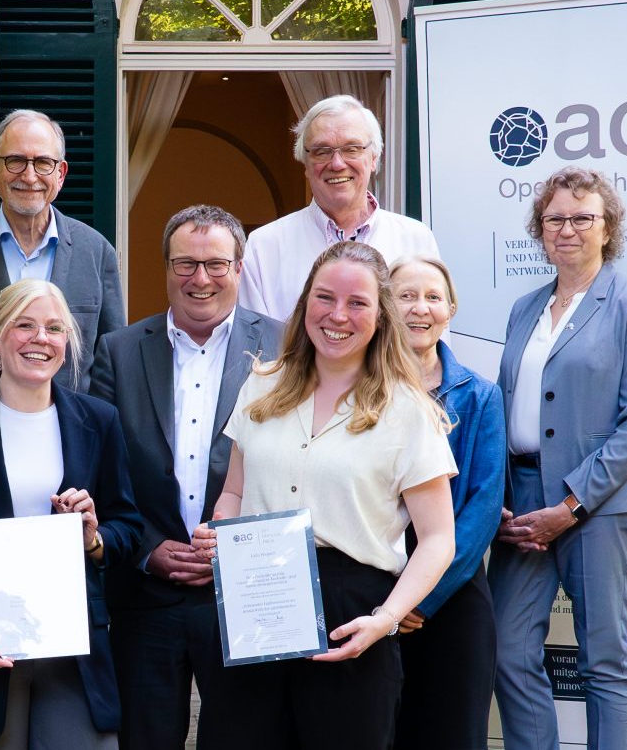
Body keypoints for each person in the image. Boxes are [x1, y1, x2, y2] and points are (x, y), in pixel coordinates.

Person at [192, 240, 457, 750]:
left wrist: (385, 620)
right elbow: (234, 491)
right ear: (304, 304)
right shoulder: (261, 384)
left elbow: (438, 538)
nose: (338, 315)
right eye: (324, 297)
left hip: (352, 614)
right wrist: (219, 532)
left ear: (381, 317)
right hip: (256, 605)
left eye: (358, 303)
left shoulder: (408, 411)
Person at [0, 279, 144, 749]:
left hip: (73, 651)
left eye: (54, 329)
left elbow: (128, 527)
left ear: (67, 343)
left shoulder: (98, 420)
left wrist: (94, 538)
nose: (41, 339)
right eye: (26, 325)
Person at [86, 204, 282, 750]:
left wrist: (233, 542)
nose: (200, 279)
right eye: (185, 264)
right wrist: (148, 549)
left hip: (245, 591)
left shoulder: (287, 348)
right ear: (166, 268)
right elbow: (101, 469)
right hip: (146, 593)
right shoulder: (119, 351)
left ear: (240, 268)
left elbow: (301, 467)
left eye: (216, 264)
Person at [490, 166, 627, 750]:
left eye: (582, 217)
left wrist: (569, 505)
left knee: (604, 661)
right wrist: (500, 500)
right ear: (540, 230)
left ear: (608, 227)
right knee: (508, 649)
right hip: (521, 503)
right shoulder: (524, 308)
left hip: (599, 504)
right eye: (554, 218)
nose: (567, 229)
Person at [386, 257, 505, 750]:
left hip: (451, 598)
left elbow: (482, 508)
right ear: (384, 307)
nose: (421, 308)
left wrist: (419, 599)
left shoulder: (480, 396)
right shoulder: (360, 390)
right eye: (406, 296)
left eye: (433, 297)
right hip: (376, 591)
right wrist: (390, 602)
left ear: (450, 308)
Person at [0, 109, 123, 388]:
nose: (29, 176)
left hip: (70, 426)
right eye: (15, 161)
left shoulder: (96, 251)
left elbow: (112, 361)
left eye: (42, 163)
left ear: (61, 174)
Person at [237, 95, 441, 321]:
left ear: (374, 158)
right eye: (322, 151)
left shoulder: (415, 240)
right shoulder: (264, 247)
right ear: (305, 164)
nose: (337, 164)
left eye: (351, 149)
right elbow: (255, 348)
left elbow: (432, 341)